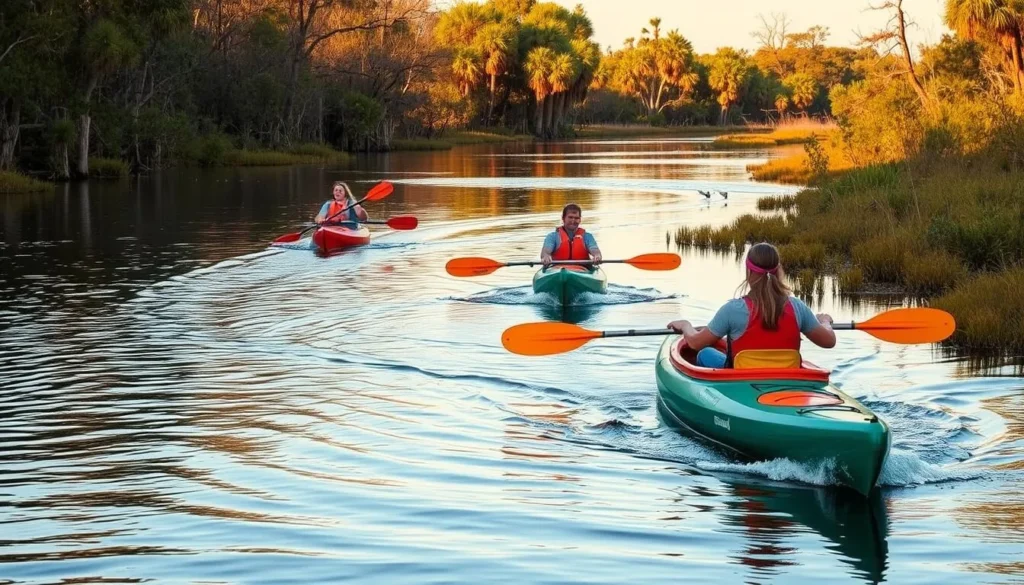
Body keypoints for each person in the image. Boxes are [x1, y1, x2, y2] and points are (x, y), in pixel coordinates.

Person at [667, 242, 836, 368]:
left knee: (704, 353)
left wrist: (685, 326)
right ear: (778, 271)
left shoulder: (732, 310)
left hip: (741, 380)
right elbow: (829, 341)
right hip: (785, 378)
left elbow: (695, 343)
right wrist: (825, 321)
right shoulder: (798, 308)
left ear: (748, 272)